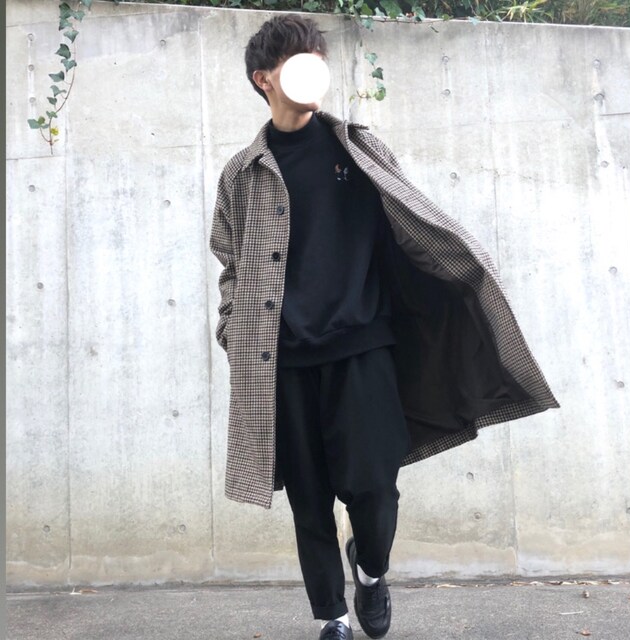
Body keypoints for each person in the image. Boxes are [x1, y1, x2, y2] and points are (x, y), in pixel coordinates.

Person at [209, 13, 559, 640]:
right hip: (283, 360)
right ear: (264, 79)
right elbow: (230, 264)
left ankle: (370, 570)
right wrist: (234, 330)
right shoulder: (242, 173)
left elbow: (411, 223)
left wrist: (466, 267)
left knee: (373, 487)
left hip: (362, 344)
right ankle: (332, 617)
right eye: (297, 62)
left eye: (318, 61)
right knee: (309, 500)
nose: (313, 73)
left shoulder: (358, 148)